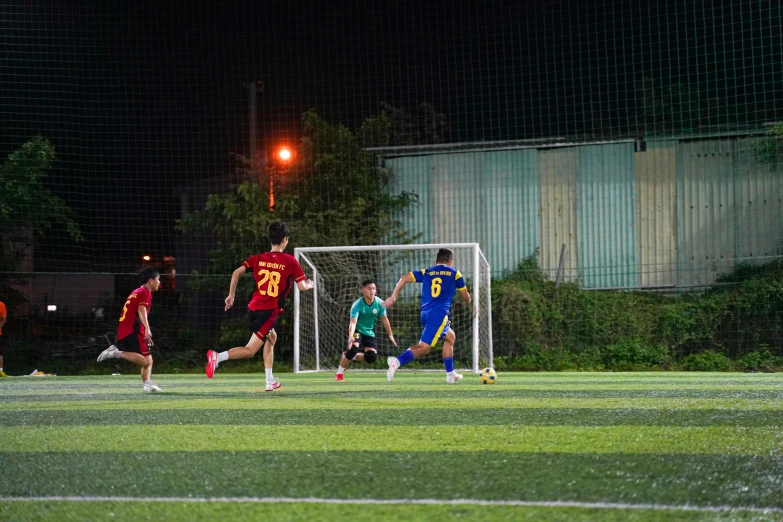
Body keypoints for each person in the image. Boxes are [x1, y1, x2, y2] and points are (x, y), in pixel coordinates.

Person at [206, 220, 314, 391]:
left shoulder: (258, 258)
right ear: (285, 239)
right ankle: (217, 357)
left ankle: (269, 380)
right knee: (250, 350)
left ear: (270, 239)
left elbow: (236, 273)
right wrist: (309, 284)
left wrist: (231, 295)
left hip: (253, 308)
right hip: (269, 312)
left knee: (272, 338)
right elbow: (301, 287)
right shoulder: (290, 261)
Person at [383, 248, 475, 384]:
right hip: (438, 315)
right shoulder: (455, 273)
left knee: (450, 337)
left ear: (436, 261)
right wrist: (469, 302)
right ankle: (396, 362)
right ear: (450, 262)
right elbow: (464, 295)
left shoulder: (427, 272)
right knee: (424, 348)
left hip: (425, 314)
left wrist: (393, 297)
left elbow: (404, 278)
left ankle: (451, 374)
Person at [97, 267, 163, 393]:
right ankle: (114, 352)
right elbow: (141, 310)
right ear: (150, 281)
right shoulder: (145, 292)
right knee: (146, 361)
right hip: (133, 329)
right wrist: (147, 330)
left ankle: (147, 384)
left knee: (148, 360)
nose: (159, 283)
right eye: (158, 280)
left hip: (126, 328)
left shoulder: (136, 291)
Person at [336, 279, 396, 381]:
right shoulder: (357, 304)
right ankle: (339, 374)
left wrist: (390, 334)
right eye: (369, 289)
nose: (372, 291)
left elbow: (385, 320)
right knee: (354, 349)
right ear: (363, 290)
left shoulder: (380, 303)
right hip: (357, 331)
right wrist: (351, 336)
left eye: (374, 289)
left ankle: (350, 356)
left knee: (371, 357)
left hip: (369, 332)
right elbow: (353, 323)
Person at [0, 300, 7, 378]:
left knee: (0, 353)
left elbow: (4, 318)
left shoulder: (1, 305)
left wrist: (0, 325)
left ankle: (0, 371)